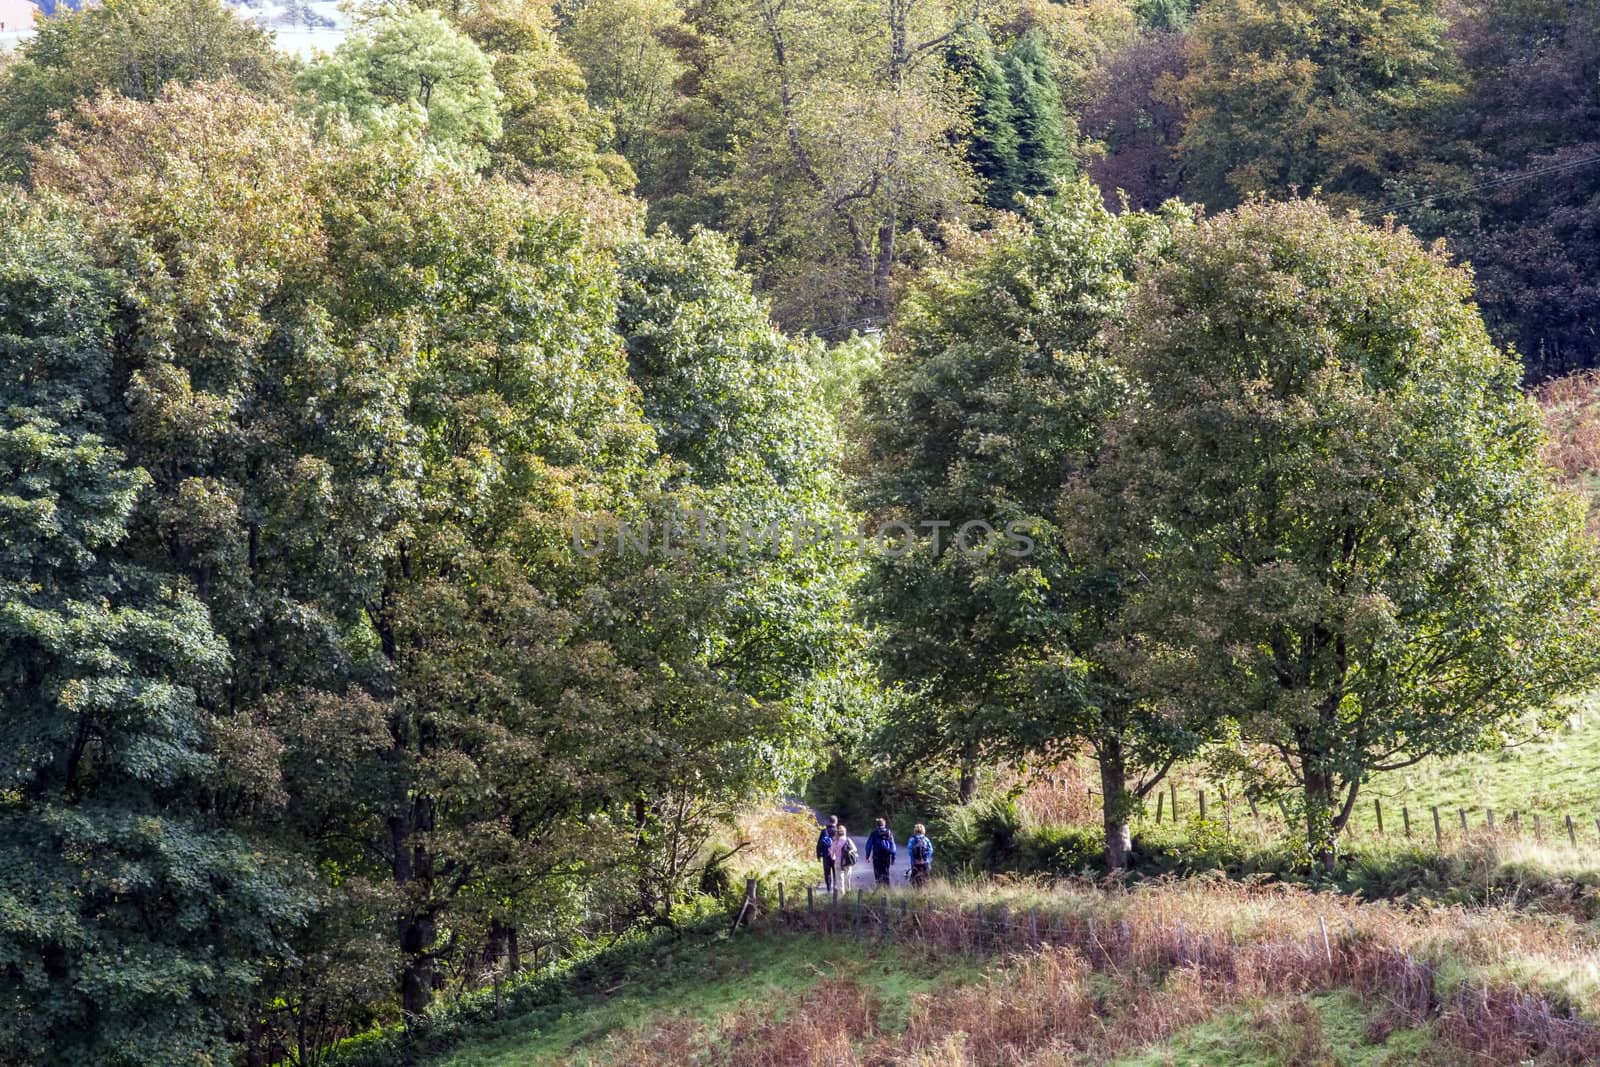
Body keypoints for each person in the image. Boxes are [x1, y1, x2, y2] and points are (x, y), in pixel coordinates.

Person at [864, 818, 896, 888]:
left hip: (877, 857)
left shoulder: (874, 833)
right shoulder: (889, 833)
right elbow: (893, 846)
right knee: (886, 873)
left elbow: (868, 845)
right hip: (886, 856)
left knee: (878, 874)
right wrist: (893, 857)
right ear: (884, 824)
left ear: (877, 825)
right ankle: (887, 890)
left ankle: (879, 890)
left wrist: (867, 856)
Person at [831, 824, 858, 892]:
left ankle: (841, 897)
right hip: (847, 862)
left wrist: (835, 857)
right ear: (844, 832)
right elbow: (855, 849)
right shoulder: (848, 840)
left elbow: (832, 854)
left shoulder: (835, 841)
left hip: (838, 863)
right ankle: (847, 896)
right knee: (847, 880)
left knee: (840, 882)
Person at [816, 819, 836, 892]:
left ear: (829, 822)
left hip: (825, 855)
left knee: (827, 872)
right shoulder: (837, 831)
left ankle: (828, 888)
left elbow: (819, 844)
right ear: (836, 822)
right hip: (835, 855)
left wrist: (818, 855)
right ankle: (835, 887)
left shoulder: (824, 831)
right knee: (835, 871)